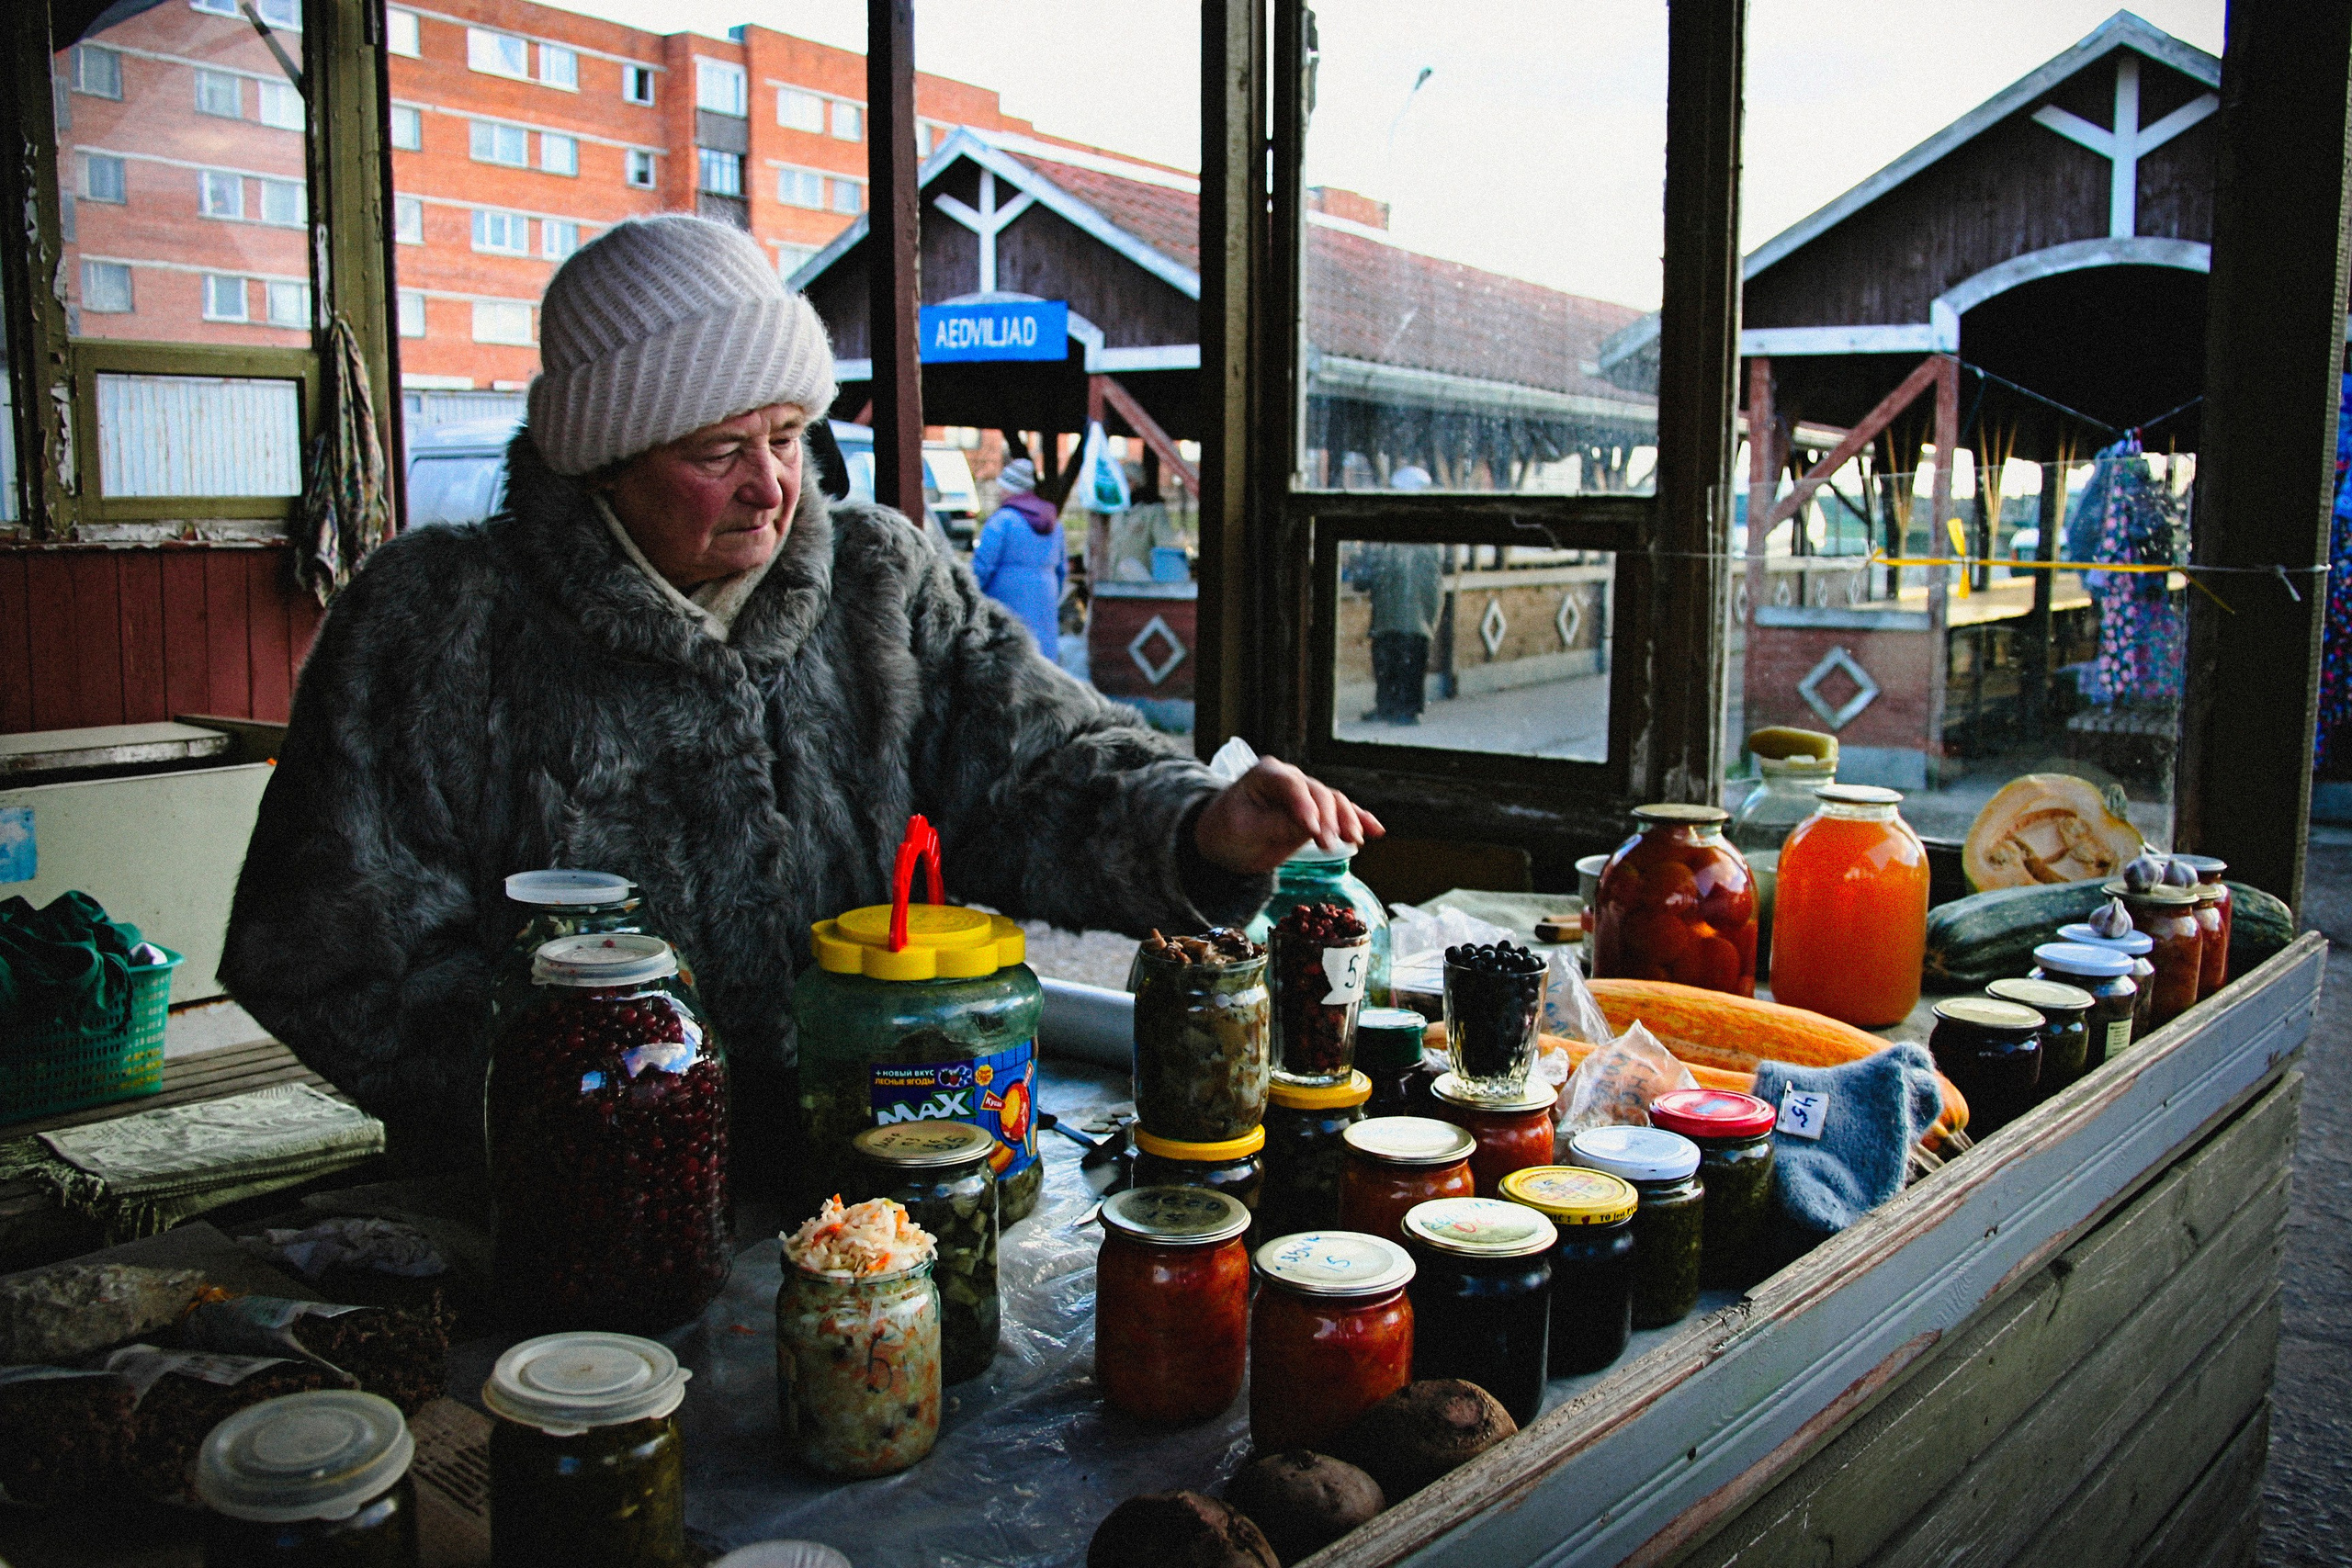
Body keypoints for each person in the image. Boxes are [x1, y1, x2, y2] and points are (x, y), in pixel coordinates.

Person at [220, 216, 1379, 1178]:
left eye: (786, 435)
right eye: (719, 450)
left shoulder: (879, 580)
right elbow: (332, 958)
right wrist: (593, 1111)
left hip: (881, 1180)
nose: (772, 486)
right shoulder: (439, 625)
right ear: (602, 460)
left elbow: (1035, 769)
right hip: (553, 1223)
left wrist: (1203, 823)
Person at [1353, 464, 1444, 725]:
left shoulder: (1390, 531)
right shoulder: (1429, 532)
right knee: (1408, 664)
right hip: (1413, 616)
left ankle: (1394, 708)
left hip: (1393, 613)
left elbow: (1368, 574)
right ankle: (1404, 709)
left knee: (1391, 664)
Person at [970, 456, 1067, 649]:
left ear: (1010, 489)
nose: (999, 491)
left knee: (1010, 656)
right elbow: (1062, 570)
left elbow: (981, 568)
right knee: (1043, 659)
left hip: (1005, 600)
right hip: (1045, 597)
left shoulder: (1002, 521)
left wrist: (970, 597)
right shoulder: (1056, 525)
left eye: (1002, 486)